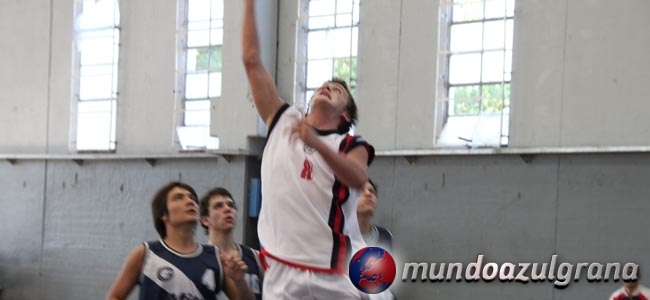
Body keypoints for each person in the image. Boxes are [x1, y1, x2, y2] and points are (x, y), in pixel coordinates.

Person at [242, 0, 375, 298]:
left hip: (334, 275)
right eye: (323, 86)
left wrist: (315, 143)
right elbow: (251, 59)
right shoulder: (283, 120)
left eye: (338, 90)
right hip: (282, 271)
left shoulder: (349, 144)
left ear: (345, 116)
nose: (327, 88)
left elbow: (357, 177)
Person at [106, 182, 254, 300]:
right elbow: (115, 296)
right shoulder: (146, 253)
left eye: (192, 198)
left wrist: (239, 281)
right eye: (179, 198)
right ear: (164, 214)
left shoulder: (215, 256)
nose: (190, 201)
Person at [199, 187, 264, 300]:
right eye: (218, 206)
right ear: (205, 220)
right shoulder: (200, 259)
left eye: (231, 205)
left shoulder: (255, 257)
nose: (227, 209)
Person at [357, 180, 395, 253]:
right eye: (361, 190)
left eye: (371, 191)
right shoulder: (337, 236)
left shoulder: (386, 236)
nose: (368, 194)